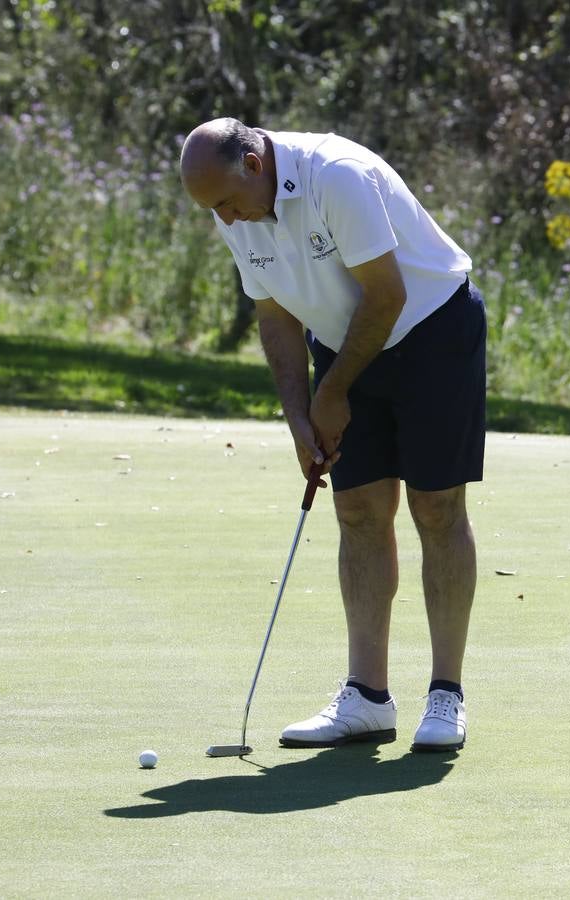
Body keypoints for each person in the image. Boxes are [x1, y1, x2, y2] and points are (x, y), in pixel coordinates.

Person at [179, 118, 485, 753]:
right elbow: (275, 315)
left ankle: (446, 694)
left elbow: (388, 295)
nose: (227, 222)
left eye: (229, 203)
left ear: (256, 165)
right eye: (215, 211)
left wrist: (334, 390)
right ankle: (368, 698)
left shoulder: (336, 177)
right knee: (357, 509)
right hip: (347, 339)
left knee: (435, 505)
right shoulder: (232, 204)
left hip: (431, 330)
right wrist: (299, 417)